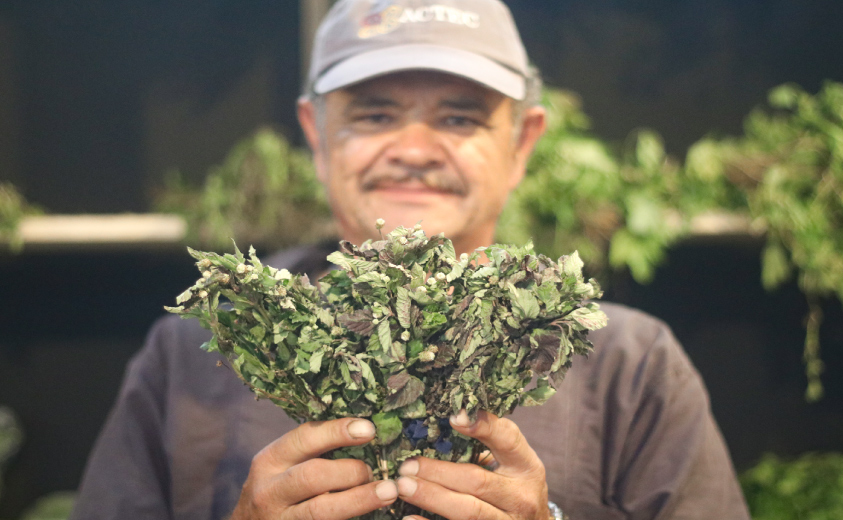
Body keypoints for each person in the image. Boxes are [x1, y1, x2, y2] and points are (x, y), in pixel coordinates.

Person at [71, 1, 751, 519]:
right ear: (317, 134)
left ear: (521, 143)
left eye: (459, 118)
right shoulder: (196, 348)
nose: (415, 148)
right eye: (374, 114)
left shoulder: (632, 365)